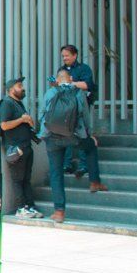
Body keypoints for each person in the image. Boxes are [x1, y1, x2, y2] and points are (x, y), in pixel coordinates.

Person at [37, 69, 106, 224]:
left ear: (57, 80)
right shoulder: (78, 92)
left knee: (56, 173)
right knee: (91, 147)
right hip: (74, 137)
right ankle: (94, 182)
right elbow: (85, 115)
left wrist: (43, 134)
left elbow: (42, 114)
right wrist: (89, 134)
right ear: (71, 79)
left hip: (53, 138)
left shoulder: (50, 92)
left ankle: (59, 212)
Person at [0, 76, 41, 219]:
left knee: (26, 179)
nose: (22, 88)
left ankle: (30, 206)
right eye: (19, 86)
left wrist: (28, 121)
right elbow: (4, 125)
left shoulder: (19, 104)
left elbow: (28, 124)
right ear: (11, 89)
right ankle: (21, 208)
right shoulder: (7, 103)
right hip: (16, 149)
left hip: (26, 147)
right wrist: (22, 119)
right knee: (17, 180)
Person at [54, 44, 96, 178]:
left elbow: (87, 85)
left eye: (67, 55)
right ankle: (67, 164)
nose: (64, 58)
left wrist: (70, 83)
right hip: (66, 107)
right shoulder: (61, 70)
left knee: (82, 133)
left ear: (75, 55)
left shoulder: (83, 68)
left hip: (81, 106)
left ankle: (84, 165)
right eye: (63, 56)